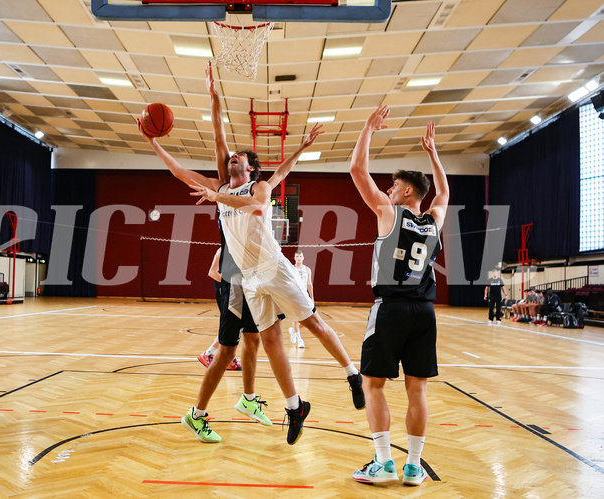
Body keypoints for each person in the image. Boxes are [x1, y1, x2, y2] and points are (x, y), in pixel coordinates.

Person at [142, 62, 363, 446]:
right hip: (247, 277)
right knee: (269, 340)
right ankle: (294, 406)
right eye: (230, 158)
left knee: (311, 323)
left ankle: (352, 374)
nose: (231, 159)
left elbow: (258, 208)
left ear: (251, 169)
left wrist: (217, 196)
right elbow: (196, 154)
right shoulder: (218, 183)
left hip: (272, 268)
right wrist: (157, 140)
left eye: (237, 159)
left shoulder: (258, 188)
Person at [349, 107, 449, 486]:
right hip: (425, 311)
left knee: (373, 384)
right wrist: (434, 154)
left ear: (406, 191)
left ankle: (383, 462)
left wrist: (368, 129)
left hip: (390, 308)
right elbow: (443, 192)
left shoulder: (389, 214)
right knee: (417, 388)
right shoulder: (434, 220)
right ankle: (414, 467)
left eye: (393, 186)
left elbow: (357, 172)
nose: (388, 190)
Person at [288, 250, 313, 348]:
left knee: (308, 318)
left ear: (303, 258)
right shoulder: (291, 269)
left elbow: (309, 284)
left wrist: (312, 298)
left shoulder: (307, 269)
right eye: (297, 256)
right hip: (294, 296)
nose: (299, 258)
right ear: (294, 258)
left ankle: (294, 330)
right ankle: (299, 340)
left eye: (300, 256)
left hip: (305, 297)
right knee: (295, 318)